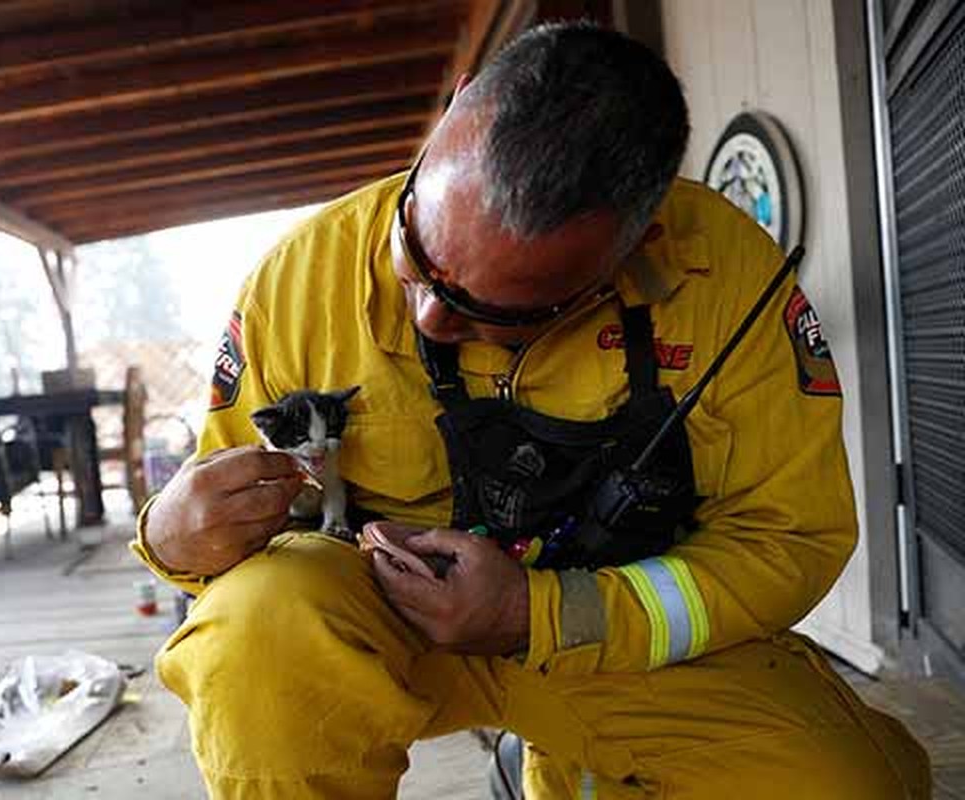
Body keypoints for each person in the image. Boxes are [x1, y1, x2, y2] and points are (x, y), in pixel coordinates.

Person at [131, 22, 930, 799]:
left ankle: (562, 772)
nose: (429, 321)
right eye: (416, 253)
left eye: (497, 313)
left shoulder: (728, 283)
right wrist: (170, 538)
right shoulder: (303, 281)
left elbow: (787, 540)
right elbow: (226, 540)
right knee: (256, 633)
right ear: (460, 100)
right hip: (383, 635)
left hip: (621, 641)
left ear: (633, 246)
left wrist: (542, 612)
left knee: (847, 787)